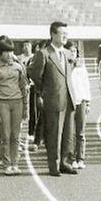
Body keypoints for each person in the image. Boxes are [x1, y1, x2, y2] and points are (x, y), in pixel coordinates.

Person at [27, 22, 77, 176]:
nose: (65, 36)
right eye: (62, 33)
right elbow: (35, 74)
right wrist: (45, 90)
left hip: (68, 97)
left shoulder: (68, 53)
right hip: (53, 98)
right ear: (53, 34)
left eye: (66, 34)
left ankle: (65, 162)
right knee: (54, 133)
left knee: (69, 133)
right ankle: (54, 165)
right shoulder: (44, 53)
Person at [0, 36, 29, 175]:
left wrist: (25, 107)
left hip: (17, 103)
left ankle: (15, 163)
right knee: (5, 136)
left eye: (12, 52)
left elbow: (24, 87)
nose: (10, 55)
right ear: (0, 53)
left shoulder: (18, 67)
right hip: (2, 103)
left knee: (15, 136)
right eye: (7, 52)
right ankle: (6, 164)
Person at [67, 42, 91, 169]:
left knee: (80, 131)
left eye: (75, 51)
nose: (73, 53)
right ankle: (71, 158)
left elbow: (86, 85)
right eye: (70, 51)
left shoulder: (82, 68)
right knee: (70, 132)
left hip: (81, 101)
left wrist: (88, 102)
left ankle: (80, 157)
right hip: (69, 103)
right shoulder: (64, 67)